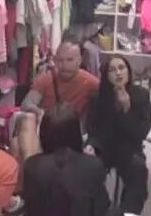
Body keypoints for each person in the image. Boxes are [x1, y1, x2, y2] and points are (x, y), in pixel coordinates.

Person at [12, 104, 150, 216]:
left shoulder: (32, 166)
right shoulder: (92, 165)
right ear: (76, 134)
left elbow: (31, 207)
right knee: (114, 215)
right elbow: (101, 210)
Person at [12, 35, 99, 163]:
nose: (64, 65)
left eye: (69, 60)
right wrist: (40, 112)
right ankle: (30, 169)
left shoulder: (91, 83)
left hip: (74, 132)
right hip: (46, 130)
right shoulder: (45, 79)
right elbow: (26, 104)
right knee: (21, 131)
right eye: (60, 60)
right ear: (55, 61)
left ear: (79, 61)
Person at [86, 56, 151, 214]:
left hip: (130, 147)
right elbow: (93, 128)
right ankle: (98, 213)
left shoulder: (141, 95)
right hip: (104, 147)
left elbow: (140, 132)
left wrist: (126, 109)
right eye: (112, 70)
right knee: (88, 168)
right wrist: (91, 145)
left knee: (138, 169)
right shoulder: (97, 97)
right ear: (106, 75)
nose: (118, 73)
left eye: (121, 68)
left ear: (128, 71)